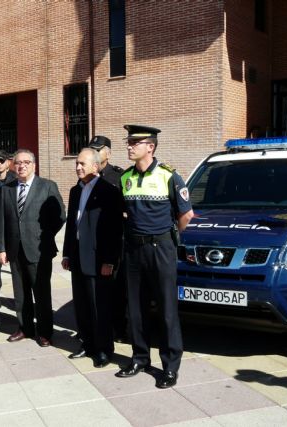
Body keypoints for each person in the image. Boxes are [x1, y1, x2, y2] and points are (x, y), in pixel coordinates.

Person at [115, 125, 194, 389]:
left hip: (161, 248)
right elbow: (125, 214)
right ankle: (139, 358)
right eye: (128, 142)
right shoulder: (124, 178)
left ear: (150, 147)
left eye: (135, 143)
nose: (129, 146)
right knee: (135, 308)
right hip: (134, 250)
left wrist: (166, 239)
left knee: (166, 309)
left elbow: (186, 216)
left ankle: (170, 367)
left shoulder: (169, 176)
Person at [0, 149, 66, 347]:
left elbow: (60, 216)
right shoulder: (7, 189)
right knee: (20, 294)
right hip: (15, 251)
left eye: (26, 162)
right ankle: (25, 328)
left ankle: (44, 332)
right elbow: (1, 221)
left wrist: (42, 236)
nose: (22, 166)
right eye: (18, 162)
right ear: (13, 165)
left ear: (34, 165)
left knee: (41, 293)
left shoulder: (47, 186)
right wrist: (1, 248)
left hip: (39, 250)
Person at [62, 148, 123, 368]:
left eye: (82, 164)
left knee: (100, 308)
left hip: (98, 260)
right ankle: (87, 344)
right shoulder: (75, 191)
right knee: (82, 306)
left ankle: (104, 350)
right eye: (76, 163)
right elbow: (72, 224)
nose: (78, 167)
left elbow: (113, 230)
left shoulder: (109, 191)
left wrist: (109, 261)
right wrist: (67, 252)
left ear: (96, 167)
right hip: (78, 256)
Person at [87, 135, 128, 343]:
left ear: (108, 153)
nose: (95, 152)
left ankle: (118, 328)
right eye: (92, 149)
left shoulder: (118, 176)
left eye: (99, 149)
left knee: (115, 287)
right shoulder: (86, 176)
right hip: (93, 241)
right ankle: (97, 325)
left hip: (114, 241)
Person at [0, 149, 17, 303]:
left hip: (12, 233)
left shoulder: (15, 180)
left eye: (2, 161)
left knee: (18, 275)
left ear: (8, 163)